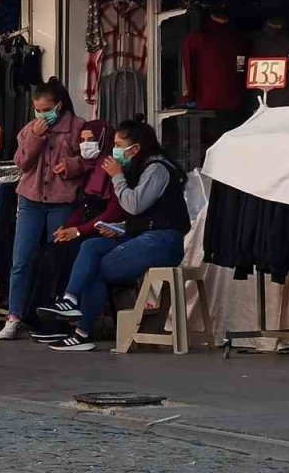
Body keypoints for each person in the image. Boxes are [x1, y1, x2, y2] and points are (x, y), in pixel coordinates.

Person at [38, 116, 190, 351]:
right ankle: (70, 300)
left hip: (162, 241)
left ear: (136, 148)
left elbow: (134, 205)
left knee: (95, 269)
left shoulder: (157, 169)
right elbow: (140, 216)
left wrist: (117, 177)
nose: (114, 151)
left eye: (119, 146)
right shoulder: (141, 168)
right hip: (143, 236)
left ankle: (82, 333)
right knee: (91, 247)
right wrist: (118, 229)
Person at [0, 80, 86, 340]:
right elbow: (22, 163)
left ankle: (52, 316)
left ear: (58, 105)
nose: (42, 114)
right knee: (21, 259)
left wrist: (72, 165)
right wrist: (36, 137)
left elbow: (89, 160)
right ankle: (14, 315)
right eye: (37, 109)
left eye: (46, 109)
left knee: (55, 259)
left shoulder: (78, 128)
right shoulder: (29, 130)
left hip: (61, 200)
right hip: (31, 199)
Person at [25, 120, 127, 343]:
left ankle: (61, 320)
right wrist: (68, 226)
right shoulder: (90, 169)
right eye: (82, 140)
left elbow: (112, 212)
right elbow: (84, 206)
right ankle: (43, 320)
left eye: (91, 140)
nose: (86, 144)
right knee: (43, 255)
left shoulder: (115, 168)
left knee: (64, 257)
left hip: (105, 232)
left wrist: (78, 231)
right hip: (87, 228)